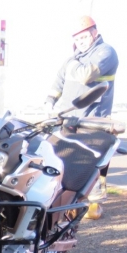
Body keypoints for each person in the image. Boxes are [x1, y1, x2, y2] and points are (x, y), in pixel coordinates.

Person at [44, 16, 119, 219]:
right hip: (69, 120)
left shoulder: (106, 52)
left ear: (95, 32)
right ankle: (67, 204)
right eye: (77, 38)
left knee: (90, 164)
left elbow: (87, 75)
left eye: (85, 36)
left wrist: (73, 63)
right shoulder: (72, 60)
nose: (81, 41)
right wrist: (49, 103)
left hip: (93, 120)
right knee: (64, 161)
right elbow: (57, 85)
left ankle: (93, 207)